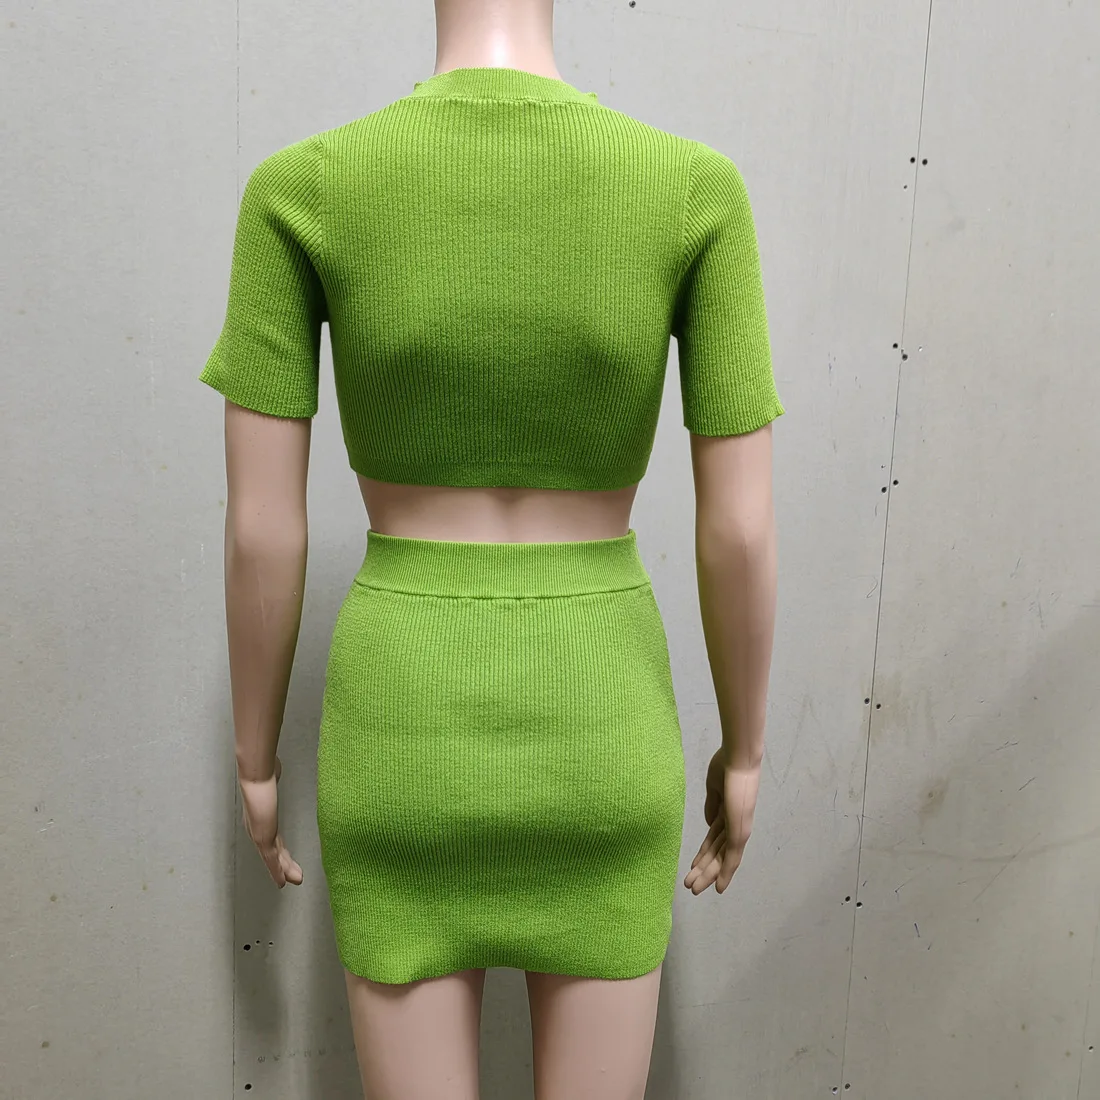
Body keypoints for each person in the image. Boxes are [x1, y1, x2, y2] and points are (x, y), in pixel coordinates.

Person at [200, 0, 783, 1096]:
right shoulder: (692, 188)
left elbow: (260, 530)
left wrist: (255, 757)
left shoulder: (304, 187)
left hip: (399, 730)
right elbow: (740, 528)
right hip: (603, 724)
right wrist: (743, 750)